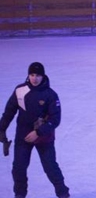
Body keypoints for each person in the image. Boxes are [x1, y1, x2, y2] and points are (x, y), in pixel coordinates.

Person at [0, 62, 70, 198]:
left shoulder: (50, 95)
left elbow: (55, 119)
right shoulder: (20, 90)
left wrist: (38, 132)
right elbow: (9, 111)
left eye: (38, 75)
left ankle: (63, 194)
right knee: (19, 169)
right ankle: (20, 195)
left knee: (50, 168)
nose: (34, 78)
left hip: (43, 138)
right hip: (23, 136)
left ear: (43, 76)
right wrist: (1, 128)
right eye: (32, 75)